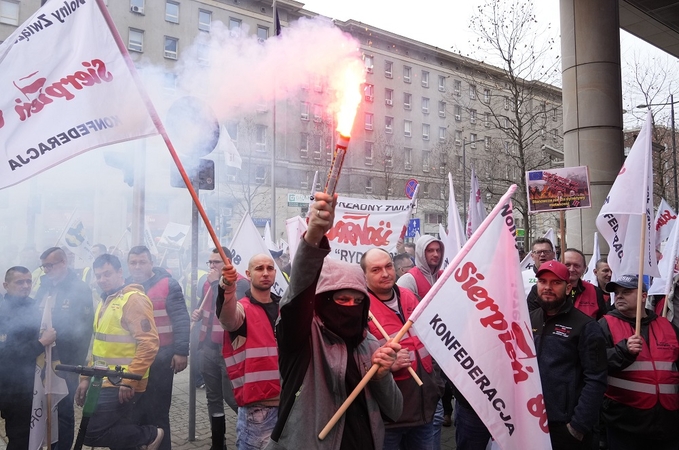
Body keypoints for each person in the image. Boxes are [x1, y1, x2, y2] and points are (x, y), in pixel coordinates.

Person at [266, 192, 403, 450]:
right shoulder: (303, 339)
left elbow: (395, 410)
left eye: (357, 301)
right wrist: (314, 237)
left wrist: (382, 376)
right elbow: (297, 295)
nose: (350, 307)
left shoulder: (370, 344)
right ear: (322, 301)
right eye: (342, 300)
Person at [75, 254, 162, 450]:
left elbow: (149, 343)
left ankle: (151, 435)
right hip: (103, 380)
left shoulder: (133, 300)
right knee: (118, 433)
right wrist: (85, 377)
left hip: (120, 382)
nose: (102, 280)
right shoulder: (105, 301)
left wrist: (130, 379)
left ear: (121, 272)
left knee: (91, 432)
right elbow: (98, 347)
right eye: (98, 276)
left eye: (107, 274)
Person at [362, 248, 441, 450]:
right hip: (390, 416)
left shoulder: (408, 297)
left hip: (424, 408)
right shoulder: (361, 309)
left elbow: (428, 339)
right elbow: (355, 362)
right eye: (376, 270)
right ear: (364, 275)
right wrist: (385, 367)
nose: (386, 273)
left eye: (388, 266)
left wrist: (436, 385)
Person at [530, 260, 608, 450]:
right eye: (543, 281)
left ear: (568, 288)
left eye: (555, 282)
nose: (548, 287)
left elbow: (596, 379)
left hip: (564, 428)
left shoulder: (586, 326)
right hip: (530, 422)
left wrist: (577, 426)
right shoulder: (528, 318)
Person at [599, 274, 679, 449]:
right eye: (617, 292)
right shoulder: (604, 325)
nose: (619, 296)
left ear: (644, 296)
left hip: (667, 423)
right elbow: (594, 364)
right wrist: (623, 351)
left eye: (626, 292)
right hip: (624, 423)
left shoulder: (667, 326)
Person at [127, 245, 190, 450]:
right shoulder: (125, 287)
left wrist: (181, 352)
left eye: (142, 262)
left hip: (161, 360)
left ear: (151, 263)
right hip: (133, 361)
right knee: (134, 413)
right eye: (133, 262)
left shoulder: (168, 285)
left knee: (158, 412)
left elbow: (181, 318)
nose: (137, 266)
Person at [218, 253, 281, 450]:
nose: (265, 273)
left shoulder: (284, 308)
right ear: (248, 273)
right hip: (258, 411)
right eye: (259, 268)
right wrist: (227, 288)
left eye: (269, 268)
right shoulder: (241, 310)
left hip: (289, 405)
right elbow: (227, 319)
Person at [34, 246, 94, 450]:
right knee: (43, 406)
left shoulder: (79, 288)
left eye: (49, 265)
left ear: (63, 263)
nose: (46, 270)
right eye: (43, 267)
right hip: (42, 358)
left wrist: (75, 365)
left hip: (65, 360)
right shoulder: (43, 286)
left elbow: (84, 330)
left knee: (64, 412)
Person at [191, 246, 249, 450]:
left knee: (231, 396)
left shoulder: (241, 283)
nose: (212, 266)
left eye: (217, 262)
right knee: (212, 397)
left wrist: (216, 282)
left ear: (228, 263)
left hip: (229, 350)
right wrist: (197, 315)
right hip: (208, 347)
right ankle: (218, 443)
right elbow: (205, 306)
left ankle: (255, 430)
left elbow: (228, 303)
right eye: (211, 262)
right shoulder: (207, 284)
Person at [0, 266, 57, 450]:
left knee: (22, 437)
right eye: (19, 282)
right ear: (6, 285)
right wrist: (41, 342)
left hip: (26, 385)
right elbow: (7, 353)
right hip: (7, 383)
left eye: (28, 281)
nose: (25, 286)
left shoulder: (35, 307)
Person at [396, 236, 444, 300]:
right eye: (430, 250)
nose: (436, 254)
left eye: (438, 250)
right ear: (421, 253)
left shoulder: (445, 277)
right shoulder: (408, 280)